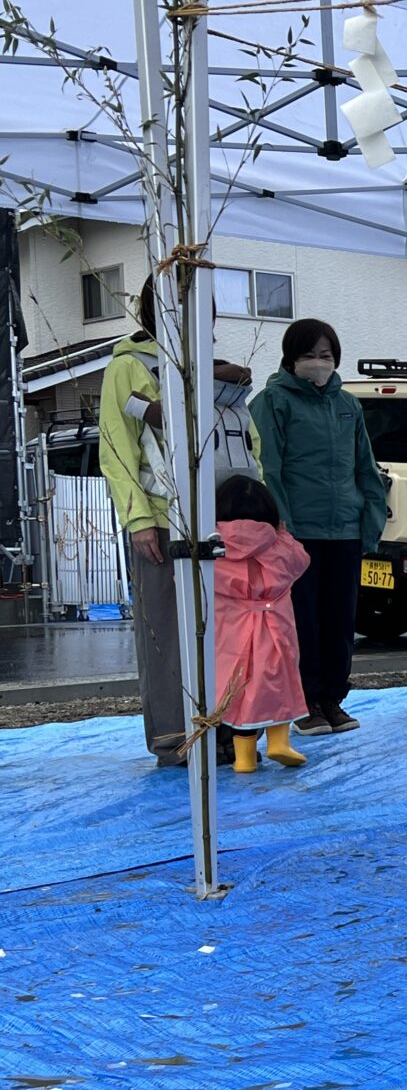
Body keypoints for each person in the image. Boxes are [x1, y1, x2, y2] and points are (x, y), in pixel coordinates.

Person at [98, 276, 251, 767]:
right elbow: (116, 448)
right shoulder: (128, 367)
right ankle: (173, 736)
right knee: (166, 628)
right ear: (154, 309)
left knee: (225, 628)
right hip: (163, 519)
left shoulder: (218, 375)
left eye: (198, 304)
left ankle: (225, 727)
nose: (190, 314)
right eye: (179, 303)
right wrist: (139, 518)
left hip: (222, 520)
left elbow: (250, 443)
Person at [250, 318, 389, 738]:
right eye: (308, 355)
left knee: (340, 619)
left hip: (343, 528)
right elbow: (269, 469)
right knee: (301, 622)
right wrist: (281, 528)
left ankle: (332, 698)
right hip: (298, 533)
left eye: (325, 355)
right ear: (291, 358)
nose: (318, 363)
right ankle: (305, 701)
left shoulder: (348, 403)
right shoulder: (272, 401)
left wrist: (371, 518)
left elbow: (365, 465)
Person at [212, 475, 310, 773]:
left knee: (240, 693)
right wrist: (283, 535)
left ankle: (243, 758)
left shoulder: (214, 549)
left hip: (232, 637)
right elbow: (302, 560)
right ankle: (279, 741)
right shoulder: (279, 546)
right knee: (280, 684)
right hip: (276, 630)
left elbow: (187, 580)